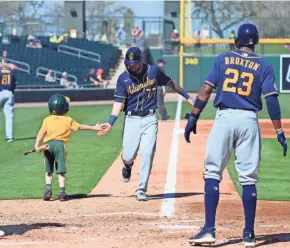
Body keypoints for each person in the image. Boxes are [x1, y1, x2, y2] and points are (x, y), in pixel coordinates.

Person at [184, 23, 287, 247]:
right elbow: (271, 100)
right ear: (256, 41)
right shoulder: (264, 65)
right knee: (248, 177)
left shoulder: (223, 59)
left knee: (212, 171)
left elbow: (205, 89)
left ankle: (209, 230)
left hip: (225, 117)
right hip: (249, 120)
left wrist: (193, 117)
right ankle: (249, 235)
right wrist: (279, 130)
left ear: (236, 41)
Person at [97, 47, 193, 201]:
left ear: (140, 61)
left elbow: (171, 83)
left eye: (134, 63)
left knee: (148, 153)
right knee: (128, 155)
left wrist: (187, 96)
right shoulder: (123, 78)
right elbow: (119, 102)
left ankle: (141, 189)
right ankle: (127, 165)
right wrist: (110, 123)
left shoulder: (153, 71)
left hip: (150, 118)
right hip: (131, 119)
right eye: (129, 63)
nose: (131, 66)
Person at [34, 94, 104, 201]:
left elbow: (41, 133)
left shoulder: (47, 120)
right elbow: (80, 127)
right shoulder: (68, 120)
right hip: (59, 146)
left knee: (48, 171)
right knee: (61, 171)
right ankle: (62, 193)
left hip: (47, 146)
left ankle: (48, 191)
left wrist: (36, 145)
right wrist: (94, 128)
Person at [0, 63, 16, 142]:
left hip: (1, 92)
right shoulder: (11, 72)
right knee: (9, 116)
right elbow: (14, 85)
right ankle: (9, 137)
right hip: (9, 93)